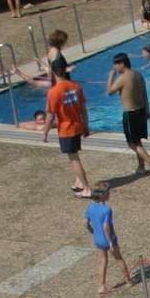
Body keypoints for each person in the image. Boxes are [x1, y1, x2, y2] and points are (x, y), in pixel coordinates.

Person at [107, 53, 150, 178]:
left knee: (132, 143)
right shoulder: (138, 74)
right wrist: (147, 110)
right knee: (137, 141)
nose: (115, 68)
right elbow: (144, 94)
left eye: (116, 65)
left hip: (130, 113)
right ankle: (141, 166)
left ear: (122, 64)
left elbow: (109, 92)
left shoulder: (123, 78)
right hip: (141, 110)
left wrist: (110, 77)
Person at [43, 59, 93, 196]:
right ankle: (78, 182)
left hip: (66, 129)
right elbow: (83, 109)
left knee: (74, 159)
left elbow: (50, 116)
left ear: (53, 72)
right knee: (75, 155)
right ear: (66, 70)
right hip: (78, 126)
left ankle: (86, 188)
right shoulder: (76, 87)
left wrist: (45, 133)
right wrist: (86, 126)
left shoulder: (53, 92)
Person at [84, 184, 135, 293]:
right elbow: (106, 226)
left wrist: (93, 232)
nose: (109, 194)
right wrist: (111, 241)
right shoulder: (107, 209)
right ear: (103, 195)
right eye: (108, 192)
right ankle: (128, 281)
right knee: (119, 259)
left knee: (102, 261)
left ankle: (101, 286)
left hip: (98, 239)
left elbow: (85, 223)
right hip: (108, 239)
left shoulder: (90, 207)